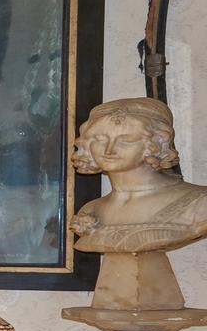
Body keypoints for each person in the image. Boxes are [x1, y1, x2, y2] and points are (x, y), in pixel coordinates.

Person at [68, 97, 207, 255]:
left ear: (155, 145)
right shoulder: (91, 210)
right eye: (100, 139)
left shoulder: (200, 203)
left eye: (126, 140)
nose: (109, 150)